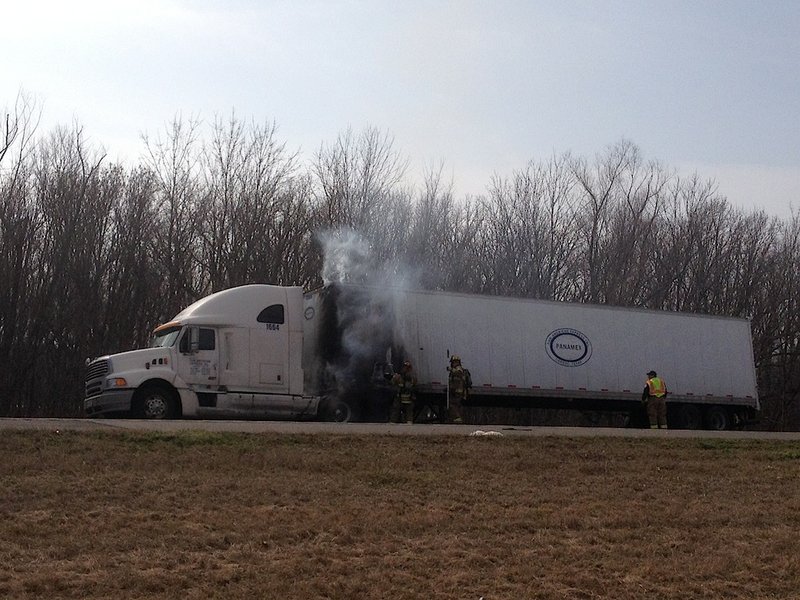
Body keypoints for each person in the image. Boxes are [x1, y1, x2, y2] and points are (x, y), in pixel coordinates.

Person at [447, 355, 470, 424]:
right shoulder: (455, 370)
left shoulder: (458, 369)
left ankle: (457, 418)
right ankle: (457, 418)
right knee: (456, 405)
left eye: (453, 362)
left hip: (458, 391)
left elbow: (458, 373)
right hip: (455, 391)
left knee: (454, 404)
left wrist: (451, 369)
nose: (452, 363)